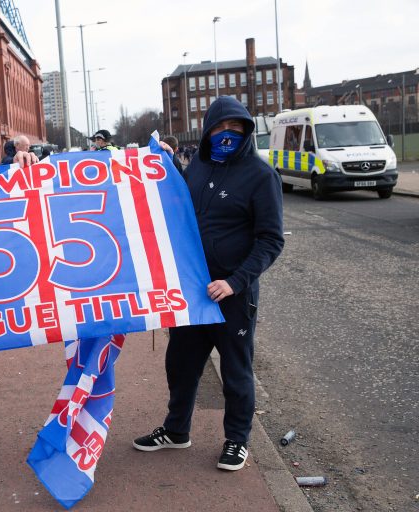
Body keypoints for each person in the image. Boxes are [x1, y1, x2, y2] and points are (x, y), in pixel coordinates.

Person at [133, 96, 284, 472]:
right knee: (180, 364)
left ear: (247, 131)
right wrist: (164, 163)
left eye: (236, 128)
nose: (227, 134)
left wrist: (235, 282)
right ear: (207, 132)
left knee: (236, 370)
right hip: (190, 293)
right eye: (220, 127)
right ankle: (176, 431)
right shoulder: (198, 165)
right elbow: (178, 202)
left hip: (232, 295)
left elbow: (271, 240)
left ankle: (236, 440)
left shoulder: (261, 176)